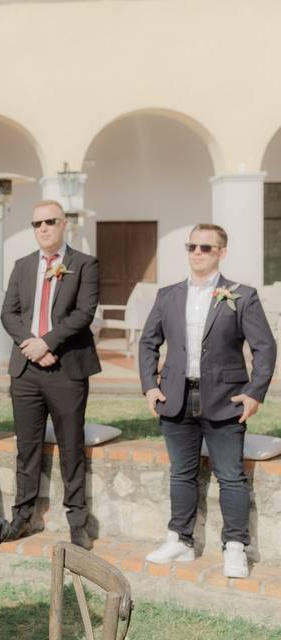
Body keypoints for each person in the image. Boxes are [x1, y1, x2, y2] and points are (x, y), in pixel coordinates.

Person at [139, 224, 276, 578]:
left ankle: (234, 547)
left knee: (230, 476)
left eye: (205, 247)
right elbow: (148, 342)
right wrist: (149, 386)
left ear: (221, 252)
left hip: (226, 398)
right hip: (175, 397)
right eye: (192, 246)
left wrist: (254, 393)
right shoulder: (167, 295)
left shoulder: (241, 295)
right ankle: (180, 541)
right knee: (181, 474)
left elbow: (265, 347)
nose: (197, 252)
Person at [0, 200, 101, 550]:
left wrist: (47, 343)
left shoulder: (85, 264)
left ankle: (77, 520)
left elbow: (84, 313)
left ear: (63, 224)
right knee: (26, 447)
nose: (42, 228)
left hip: (66, 368)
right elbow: (9, 313)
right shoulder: (22, 266)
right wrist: (31, 344)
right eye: (36, 223)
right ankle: (22, 516)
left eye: (49, 222)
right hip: (26, 369)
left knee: (71, 446)